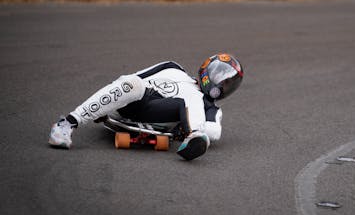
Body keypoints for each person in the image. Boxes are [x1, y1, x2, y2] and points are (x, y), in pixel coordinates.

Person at [48, 53, 244, 161]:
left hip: (161, 113)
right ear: (208, 69)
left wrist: (185, 128)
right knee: (133, 83)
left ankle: (192, 136)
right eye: (220, 77)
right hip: (136, 99)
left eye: (228, 84)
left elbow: (214, 131)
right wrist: (107, 103)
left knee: (194, 98)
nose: (221, 85)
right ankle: (67, 124)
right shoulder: (172, 67)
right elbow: (134, 77)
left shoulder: (210, 108)